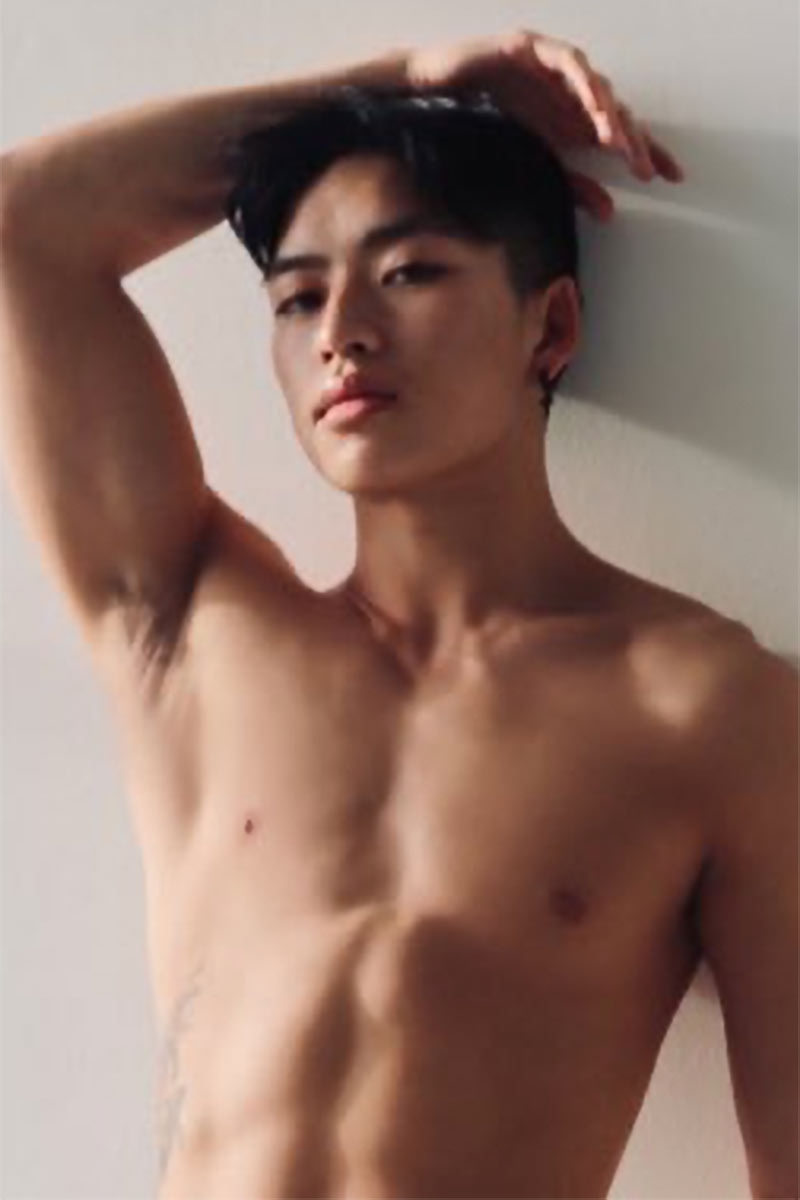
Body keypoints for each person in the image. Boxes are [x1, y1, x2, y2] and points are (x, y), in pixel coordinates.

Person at [0, 28, 796, 1200]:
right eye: (296, 296)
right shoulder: (192, 629)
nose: (340, 332)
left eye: (409, 272)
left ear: (549, 327)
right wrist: (390, 83)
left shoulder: (710, 711)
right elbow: (29, 218)